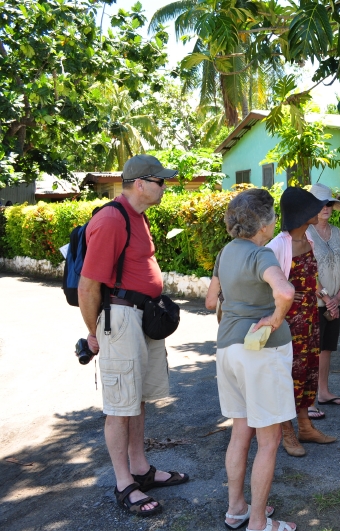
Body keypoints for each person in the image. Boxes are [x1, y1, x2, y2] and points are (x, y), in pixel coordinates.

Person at [77, 155, 188, 517]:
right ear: (140, 183)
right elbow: (88, 285)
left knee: (137, 398)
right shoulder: (112, 219)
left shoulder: (137, 216)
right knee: (119, 405)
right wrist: (93, 332)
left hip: (143, 317)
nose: (165, 187)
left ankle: (140, 469)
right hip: (121, 318)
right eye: (161, 181)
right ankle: (124, 483)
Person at [215, 189, 297, 531]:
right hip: (260, 353)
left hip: (227, 349)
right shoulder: (262, 255)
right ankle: (259, 522)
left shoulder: (226, 252)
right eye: (273, 216)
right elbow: (285, 292)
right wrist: (275, 320)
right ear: (264, 224)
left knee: (240, 432)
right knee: (269, 441)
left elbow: (212, 300)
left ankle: (237, 509)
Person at [267, 187, 336, 457]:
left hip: (309, 317)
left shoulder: (308, 239)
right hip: (288, 321)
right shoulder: (277, 245)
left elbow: (311, 277)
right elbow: (265, 283)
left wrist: (323, 295)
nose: (319, 210)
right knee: (288, 375)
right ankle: (287, 431)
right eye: (313, 207)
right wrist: (283, 293)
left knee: (308, 371)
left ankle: (305, 426)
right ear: (300, 213)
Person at [306, 183, 340, 420]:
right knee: (310, 351)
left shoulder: (338, 233)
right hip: (314, 302)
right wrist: (325, 296)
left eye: (329, 203)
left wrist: (339, 296)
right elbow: (306, 271)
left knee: (326, 349)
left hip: (334, 301)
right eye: (321, 204)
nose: (326, 208)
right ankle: (307, 401)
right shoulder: (305, 234)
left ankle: (323, 393)